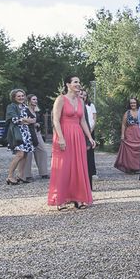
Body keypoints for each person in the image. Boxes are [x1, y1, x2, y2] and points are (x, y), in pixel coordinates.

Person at [47, 75, 95, 210]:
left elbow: (83, 121)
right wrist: (61, 138)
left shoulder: (80, 100)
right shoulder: (61, 99)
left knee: (78, 166)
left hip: (78, 136)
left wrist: (90, 137)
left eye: (79, 82)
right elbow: (55, 120)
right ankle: (60, 200)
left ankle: (78, 198)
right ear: (68, 84)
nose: (78, 84)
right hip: (64, 134)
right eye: (75, 82)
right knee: (63, 167)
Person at [5, 89, 36, 185]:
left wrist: (25, 120)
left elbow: (33, 119)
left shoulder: (25, 107)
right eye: (18, 96)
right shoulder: (11, 106)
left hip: (26, 133)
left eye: (22, 95)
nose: (21, 97)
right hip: (17, 133)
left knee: (25, 154)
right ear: (14, 97)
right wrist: (26, 120)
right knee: (20, 154)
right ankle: (10, 176)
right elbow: (14, 119)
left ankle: (21, 175)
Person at [22, 94, 49, 181]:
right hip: (28, 133)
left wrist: (38, 124)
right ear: (29, 100)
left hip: (37, 133)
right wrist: (30, 122)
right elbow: (23, 120)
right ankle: (27, 175)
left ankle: (44, 172)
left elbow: (41, 121)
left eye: (36, 99)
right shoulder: (25, 110)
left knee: (43, 151)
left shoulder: (38, 111)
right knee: (28, 153)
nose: (35, 101)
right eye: (34, 99)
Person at [114, 97, 140, 174]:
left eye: (134, 103)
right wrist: (122, 135)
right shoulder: (127, 113)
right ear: (130, 104)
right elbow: (123, 124)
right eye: (131, 103)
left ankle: (138, 167)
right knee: (130, 152)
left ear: (137, 103)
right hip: (129, 133)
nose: (133, 104)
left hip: (139, 133)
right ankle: (131, 168)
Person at [80, 89, 97, 187]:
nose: (83, 97)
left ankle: (89, 183)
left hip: (89, 131)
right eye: (81, 95)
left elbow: (94, 119)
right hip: (79, 132)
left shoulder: (90, 106)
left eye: (84, 95)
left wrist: (90, 132)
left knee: (89, 156)